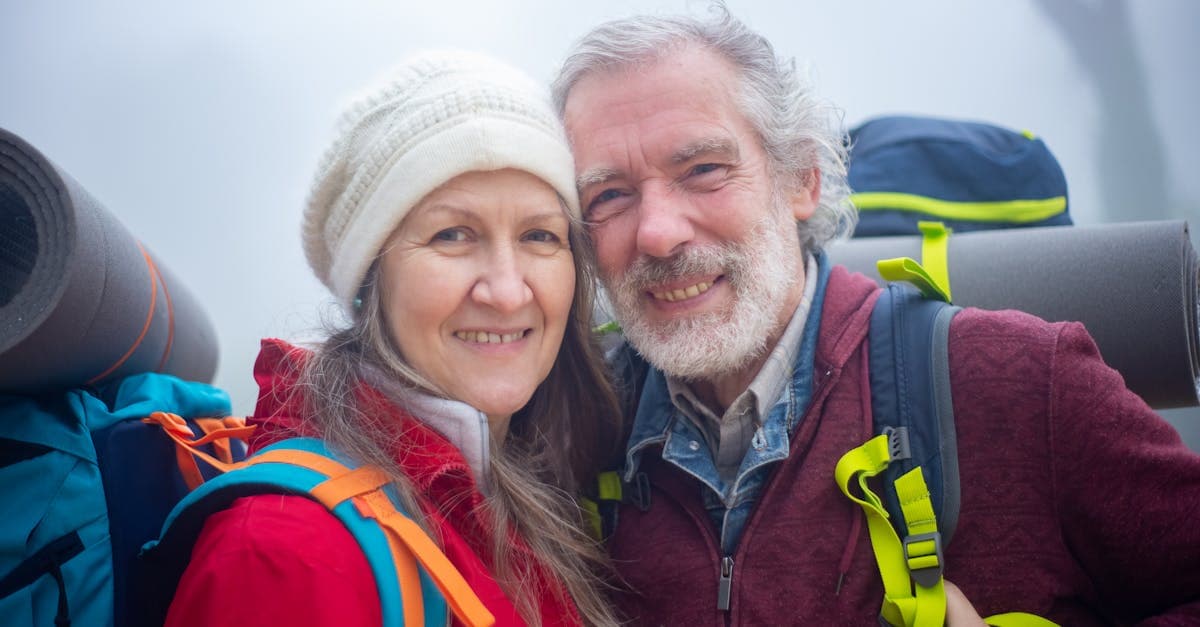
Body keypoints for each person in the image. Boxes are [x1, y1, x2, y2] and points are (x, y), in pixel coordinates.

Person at [551, 5, 1200, 625]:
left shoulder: (1021, 381)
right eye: (609, 195)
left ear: (801, 180)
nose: (658, 233)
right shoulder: (570, 434)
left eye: (703, 169)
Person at [165, 50, 623, 627]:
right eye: (452, 235)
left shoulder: (540, 494)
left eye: (540, 235)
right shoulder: (286, 551)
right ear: (369, 282)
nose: (507, 292)